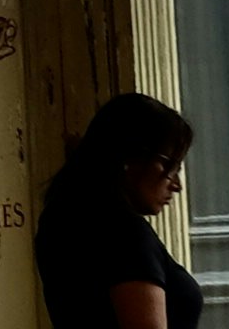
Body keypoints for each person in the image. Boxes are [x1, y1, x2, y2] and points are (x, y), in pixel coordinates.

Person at [38, 92, 203, 329]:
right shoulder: (125, 235)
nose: (176, 184)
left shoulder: (60, 219)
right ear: (131, 158)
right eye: (169, 166)